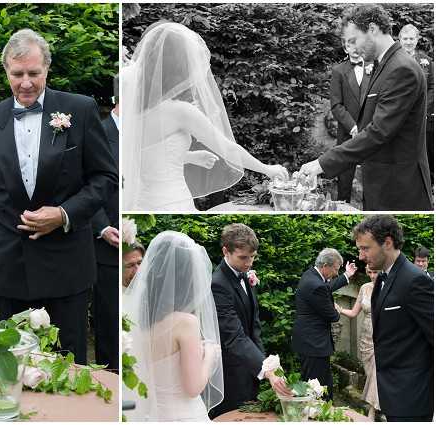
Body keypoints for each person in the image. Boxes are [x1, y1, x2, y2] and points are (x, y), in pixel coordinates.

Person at [0, 29, 117, 364]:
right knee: (10, 366)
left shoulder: (79, 109)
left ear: (47, 70)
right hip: (8, 267)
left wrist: (64, 214)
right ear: (6, 71)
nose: (25, 83)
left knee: (69, 366)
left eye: (33, 73)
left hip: (67, 267)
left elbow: (105, 176)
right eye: (17, 74)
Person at [123, 22, 288, 211]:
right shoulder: (181, 111)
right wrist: (267, 169)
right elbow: (227, 149)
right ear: (180, 66)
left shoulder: (133, 108)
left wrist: (189, 157)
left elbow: (140, 156)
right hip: (172, 202)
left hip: (141, 204)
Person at [300, 4, 432, 211]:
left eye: (354, 40)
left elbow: (379, 131)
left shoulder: (401, 69)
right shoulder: (385, 64)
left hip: (400, 189)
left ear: (372, 29)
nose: (352, 48)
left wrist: (322, 163)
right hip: (384, 183)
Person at [123, 231, 223, 421]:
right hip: (186, 416)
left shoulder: (138, 318)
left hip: (154, 415)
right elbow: (193, 388)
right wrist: (210, 355)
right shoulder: (185, 323)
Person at [353, 215, 433, 421]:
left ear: (387, 243)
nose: (361, 256)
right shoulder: (382, 277)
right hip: (391, 394)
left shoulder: (415, 281)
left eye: (365, 248)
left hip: (413, 397)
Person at [210, 224, 291, 418]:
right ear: (225, 252)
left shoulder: (245, 276)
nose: (249, 263)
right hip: (230, 375)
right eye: (243, 257)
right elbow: (234, 335)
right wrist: (267, 371)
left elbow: (254, 327)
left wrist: (264, 365)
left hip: (249, 370)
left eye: (253, 257)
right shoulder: (218, 284)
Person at [291, 248, 357, 400]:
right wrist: (336, 308)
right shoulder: (317, 285)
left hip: (307, 341)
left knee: (311, 383)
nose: (336, 273)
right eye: (335, 269)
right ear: (325, 265)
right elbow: (332, 316)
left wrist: (346, 276)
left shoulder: (310, 275)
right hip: (314, 344)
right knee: (318, 388)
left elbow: (325, 289)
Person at [92, 75, 120, 371]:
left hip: (136, 247)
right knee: (109, 320)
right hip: (105, 243)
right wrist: (101, 226)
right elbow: (84, 183)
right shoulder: (97, 132)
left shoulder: (148, 132)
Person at [335, 265, 381, 419]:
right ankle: (381, 408)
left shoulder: (387, 287)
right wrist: (339, 309)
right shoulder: (364, 288)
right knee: (371, 376)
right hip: (366, 338)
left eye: (376, 272)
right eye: (370, 272)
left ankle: (372, 412)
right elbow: (354, 313)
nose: (373, 276)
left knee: (376, 375)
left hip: (382, 338)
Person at [329, 37, 371, 202]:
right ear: (345, 49)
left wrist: (368, 127)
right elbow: (336, 105)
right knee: (345, 179)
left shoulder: (374, 68)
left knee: (371, 178)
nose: (354, 48)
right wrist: (353, 127)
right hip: (348, 132)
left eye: (357, 44)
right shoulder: (338, 71)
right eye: (350, 45)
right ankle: (343, 205)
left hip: (370, 132)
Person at [399, 24, 434, 182]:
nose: (408, 42)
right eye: (405, 38)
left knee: (423, 149)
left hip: (422, 115)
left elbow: (433, 86)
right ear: (399, 40)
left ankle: (426, 182)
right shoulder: (393, 60)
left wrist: (424, 108)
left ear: (417, 40)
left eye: (411, 38)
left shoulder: (426, 61)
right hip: (399, 115)